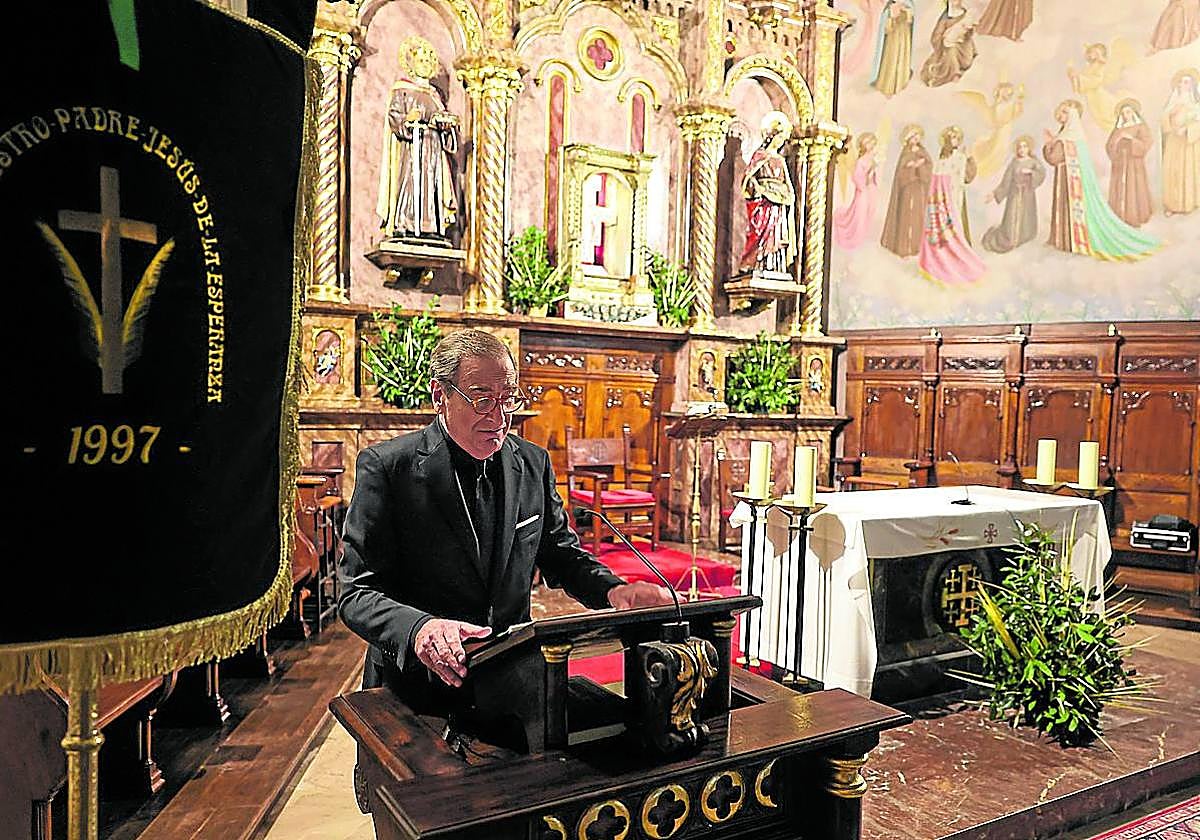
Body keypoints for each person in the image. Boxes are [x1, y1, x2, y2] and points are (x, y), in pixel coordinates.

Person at [338, 329, 671, 715]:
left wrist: (615, 592)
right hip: (414, 688)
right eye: (481, 400)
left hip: (511, 676)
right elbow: (355, 593)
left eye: (508, 399)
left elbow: (561, 555)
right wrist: (419, 630)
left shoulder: (533, 463)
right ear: (440, 396)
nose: (499, 417)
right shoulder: (388, 467)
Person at [1042, 100, 1159, 259]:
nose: (1061, 117)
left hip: (1133, 165)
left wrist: (1049, 144)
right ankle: (1064, 239)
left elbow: (1054, 157)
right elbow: (1110, 145)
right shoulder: (1068, 135)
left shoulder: (1071, 137)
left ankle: (1135, 217)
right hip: (1072, 178)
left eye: (1064, 114)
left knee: (1134, 191)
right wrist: (1118, 144)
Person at [739, 111, 798, 275]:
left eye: (783, 139)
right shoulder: (760, 156)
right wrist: (758, 188)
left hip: (777, 203)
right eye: (779, 138)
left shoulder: (780, 160)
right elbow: (748, 179)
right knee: (760, 231)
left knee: (776, 234)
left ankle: (772, 265)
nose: (781, 142)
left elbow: (787, 183)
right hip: (764, 203)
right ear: (772, 136)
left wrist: (788, 195)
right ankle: (757, 263)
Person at [981, 135, 1046, 253]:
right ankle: (1010, 238)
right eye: (1020, 147)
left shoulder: (1034, 162)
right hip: (1014, 195)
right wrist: (994, 194)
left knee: (1027, 221)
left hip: (1028, 195)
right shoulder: (1014, 163)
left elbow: (1041, 174)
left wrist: (1031, 173)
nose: (1022, 149)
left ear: (1029, 148)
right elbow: (1006, 181)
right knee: (1011, 227)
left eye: (1025, 146)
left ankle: (1025, 236)